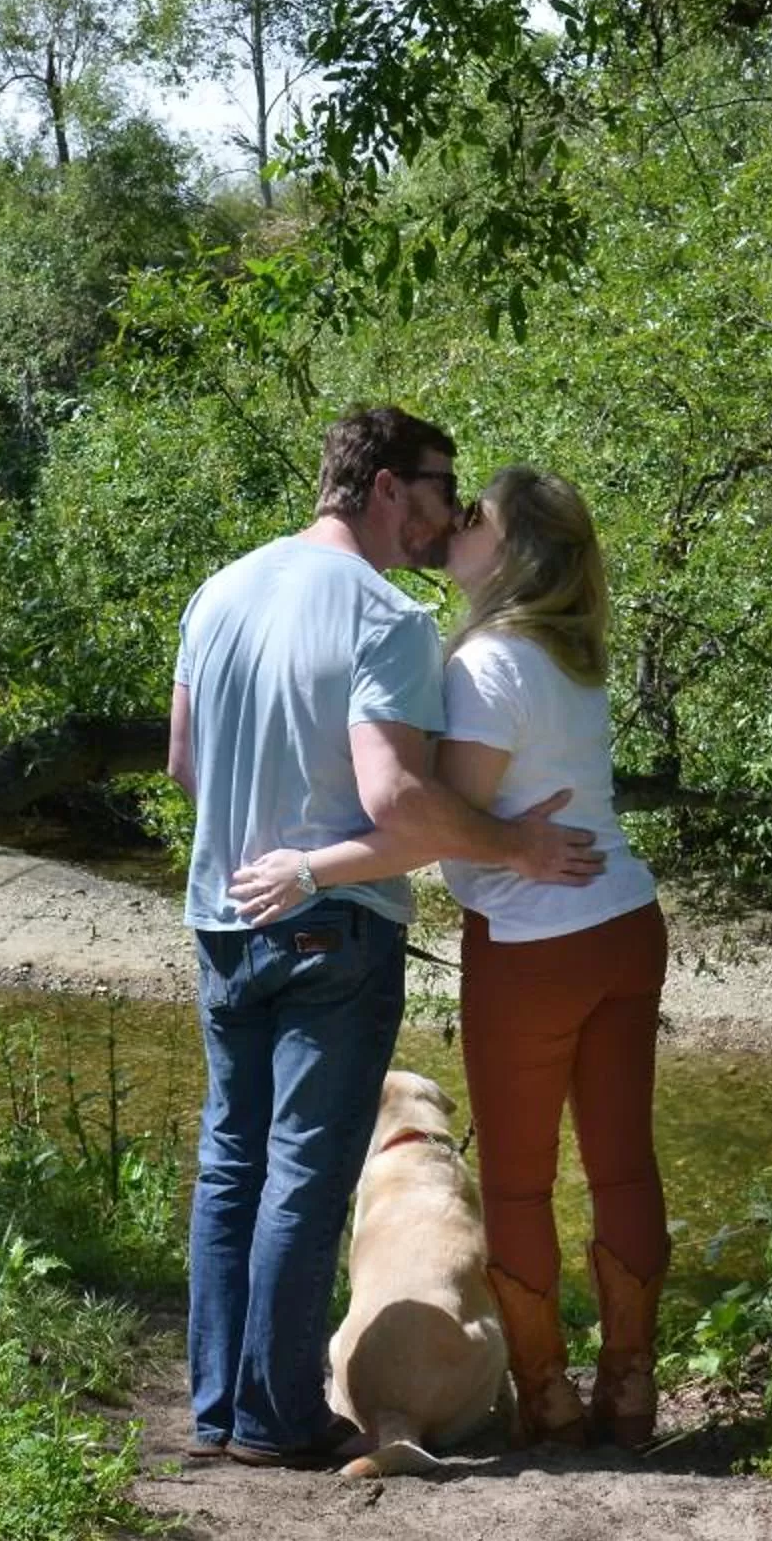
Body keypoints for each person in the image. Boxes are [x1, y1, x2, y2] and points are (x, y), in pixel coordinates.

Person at [170, 408, 605, 1469]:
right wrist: (514, 846)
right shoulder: (388, 618)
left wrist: (262, 832)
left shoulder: (218, 591)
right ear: (381, 489)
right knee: (305, 1172)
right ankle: (278, 1419)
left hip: (223, 914)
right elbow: (398, 798)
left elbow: (185, 761)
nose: (449, 512)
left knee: (229, 1162)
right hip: (334, 928)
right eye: (438, 486)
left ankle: (218, 1407)